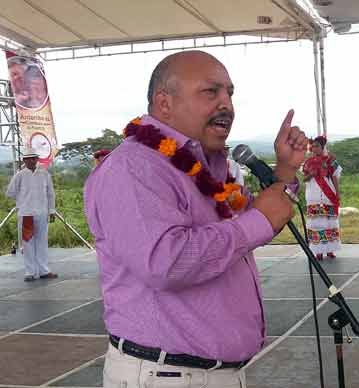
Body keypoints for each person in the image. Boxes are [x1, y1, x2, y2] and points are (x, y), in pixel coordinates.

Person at [84, 51, 307, 388]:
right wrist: (258, 219)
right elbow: (166, 262)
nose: (226, 104)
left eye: (230, 93)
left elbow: (248, 229)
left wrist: (285, 172)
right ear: (164, 103)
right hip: (167, 376)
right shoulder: (133, 168)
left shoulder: (206, 166)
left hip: (213, 374)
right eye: (210, 92)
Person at [5, 148, 57, 282]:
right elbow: (9, 193)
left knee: (42, 242)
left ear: (37, 159)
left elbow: (50, 194)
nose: (32, 160)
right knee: (28, 243)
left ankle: (44, 271)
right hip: (26, 213)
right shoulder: (20, 175)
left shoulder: (44, 174)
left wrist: (52, 211)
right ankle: (30, 272)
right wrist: (22, 199)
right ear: (24, 160)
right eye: (29, 158)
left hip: (42, 212)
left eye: (34, 158)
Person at [302, 136, 342, 260]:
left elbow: (335, 177)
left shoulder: (330, 160)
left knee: (329, 223)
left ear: (323, 147)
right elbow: (304, 179)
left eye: (317, 146)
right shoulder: (308, 162)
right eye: (313, 146)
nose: (314, 148)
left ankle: (329, 250)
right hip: (313, 195)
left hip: (327, 195)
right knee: (317, 224)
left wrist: (337, 193)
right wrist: (312, 174)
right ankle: (318, 251)